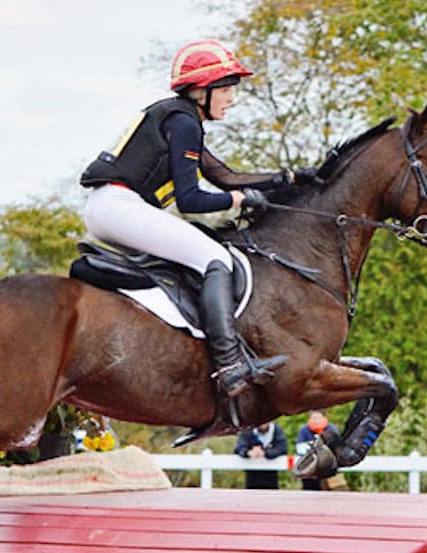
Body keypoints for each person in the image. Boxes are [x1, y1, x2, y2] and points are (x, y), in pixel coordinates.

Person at [79, 39, 315, 400]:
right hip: (120, 207)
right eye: (226, 89)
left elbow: (226, 176)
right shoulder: (184, 123)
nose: (231, 99)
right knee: (216, 258)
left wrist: (289, 178)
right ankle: (230, 362)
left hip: (109, 207)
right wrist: (237, 200)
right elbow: (191, 200)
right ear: (202, 91)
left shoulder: (178, 119)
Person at [234, 420, 287, 489]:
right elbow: (238, 448)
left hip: (271, 475)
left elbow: (282, 448)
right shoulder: (248, 430)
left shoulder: (276, 430)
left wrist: (265, 453)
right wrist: (248, 452)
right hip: (252, 475)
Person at [295, 410, 339, 490]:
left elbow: (336, 446)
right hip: (309, 464)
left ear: (324, 418)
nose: (316, 420)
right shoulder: (304, 430)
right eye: (313, 418)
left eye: (318, 418)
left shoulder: (332, 429)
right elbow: (300, 447)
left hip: (327, 465)